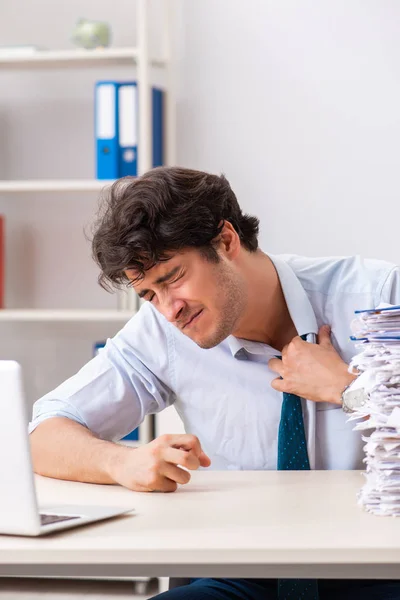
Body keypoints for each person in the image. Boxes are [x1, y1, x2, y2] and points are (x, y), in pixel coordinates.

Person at [30, 167, 400, 599]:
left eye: (172, 279)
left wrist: (349, 390)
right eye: (148, 294)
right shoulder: (161, 331)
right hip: (242, 575)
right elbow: (44, 432)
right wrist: (121, 463)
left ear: (226, 241)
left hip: (380, 567)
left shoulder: (377, 299)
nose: (169, 310)